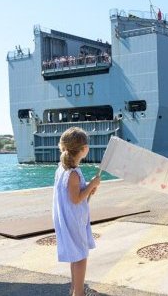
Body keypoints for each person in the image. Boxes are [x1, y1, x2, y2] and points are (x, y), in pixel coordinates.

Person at [53, 127, 101, 296]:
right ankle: (79, 293)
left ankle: (74, 289)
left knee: (75, 255)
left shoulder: (62, 169)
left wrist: (88, 189)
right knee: (81, 256)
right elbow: (76, 199)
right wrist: (92, 185)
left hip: (68, 218)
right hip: (74, 220)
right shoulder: (73, 173)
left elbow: (76, 196)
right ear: (83, 149)